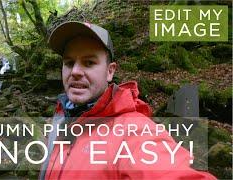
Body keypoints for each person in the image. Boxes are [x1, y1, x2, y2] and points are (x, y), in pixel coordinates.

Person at [40, 21, 216, 180]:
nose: (75, 71)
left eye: (89, 62)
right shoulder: (62, 117)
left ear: (110, 71)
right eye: (69, 63)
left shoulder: (133, 132)